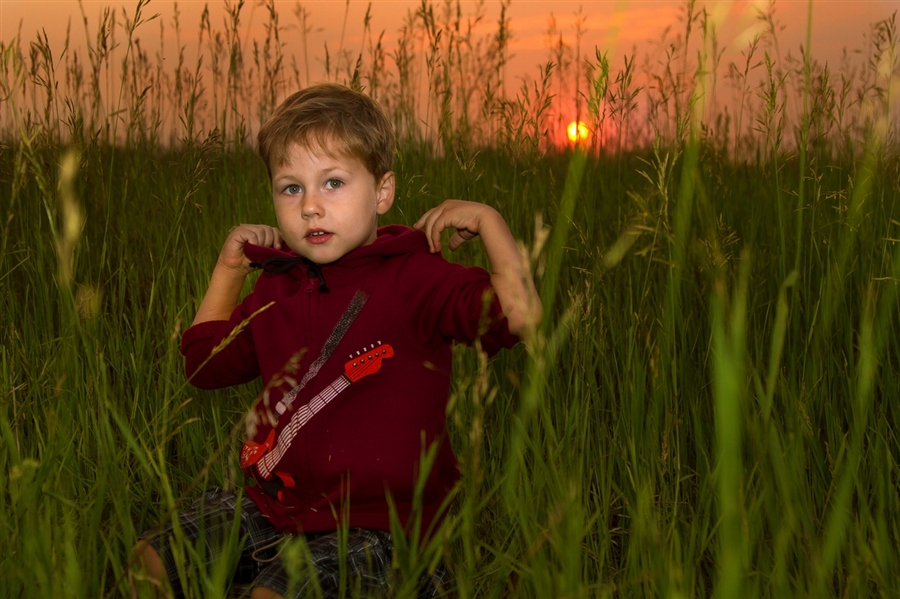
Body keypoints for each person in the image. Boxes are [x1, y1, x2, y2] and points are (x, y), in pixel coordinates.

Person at [132, 83, 542, 599]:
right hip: (278, 510)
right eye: (290, 187)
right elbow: (203, 367)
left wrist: (491, 223)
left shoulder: (415, 278)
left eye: (332, 183)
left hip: (381, 532)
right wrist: (228, 270)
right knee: (147, 560)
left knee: (270, 596)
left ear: (382, 192)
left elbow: (521, 315)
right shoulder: (277, 284)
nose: (309, 208)